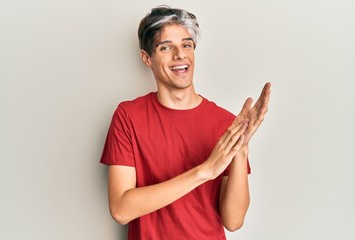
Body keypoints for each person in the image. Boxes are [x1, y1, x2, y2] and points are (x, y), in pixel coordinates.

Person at [100, 5, 271, 240]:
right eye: (166, 47)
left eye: (186, 45)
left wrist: (240, 150)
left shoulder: (227, 123)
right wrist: (204, 171)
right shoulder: (128, 116)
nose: (180, 55)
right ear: (146, 58)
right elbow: (121, 209)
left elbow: (233, 221)